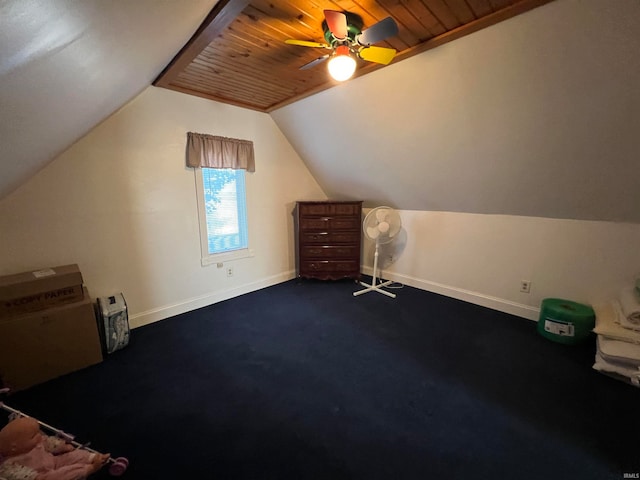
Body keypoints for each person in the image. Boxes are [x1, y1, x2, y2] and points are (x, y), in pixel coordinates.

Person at [0, 417, 109, 480]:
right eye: (34, 435)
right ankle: (88, 469)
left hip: (54, 461)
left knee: (72, 456)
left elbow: (49, 443)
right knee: (61, 475)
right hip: (42, 476)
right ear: (15, 447)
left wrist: (63, 446)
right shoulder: (9, 466)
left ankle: (92, 458)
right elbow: (29, 477)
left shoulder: (34, 442)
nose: (39, 436)